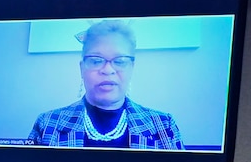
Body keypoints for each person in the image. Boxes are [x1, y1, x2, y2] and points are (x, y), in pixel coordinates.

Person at [28, 19, 184, 149]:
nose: (108, 70)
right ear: (82, 68)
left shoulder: (164, 126)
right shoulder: (47, 124)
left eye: (120, 61)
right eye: (96, 60)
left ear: (132, 68)